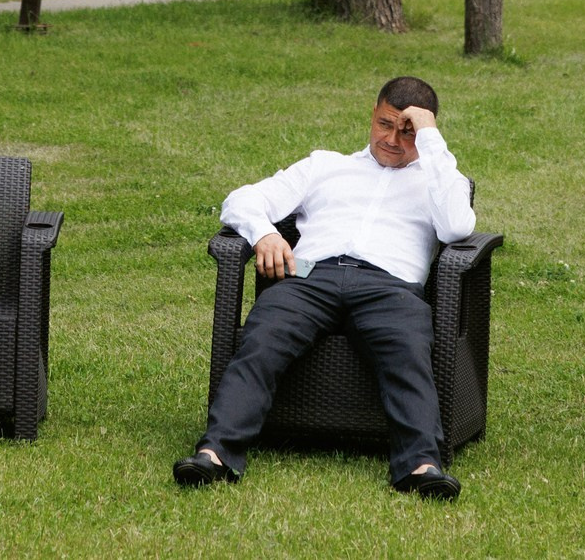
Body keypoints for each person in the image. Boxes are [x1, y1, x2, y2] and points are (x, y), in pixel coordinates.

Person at [172, 76, 477, 500]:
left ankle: (420, 466)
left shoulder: (441, 179)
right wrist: (263, 234)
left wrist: (429, 138)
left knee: (407, 349)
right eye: (385, 124)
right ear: (372, 115)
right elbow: (242, 199)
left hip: (389, 287)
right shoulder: (326, 165)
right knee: (263, 337)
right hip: (311, 278)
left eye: (406, 131)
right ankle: (216, 453)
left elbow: (458, 226)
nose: (392, 139)